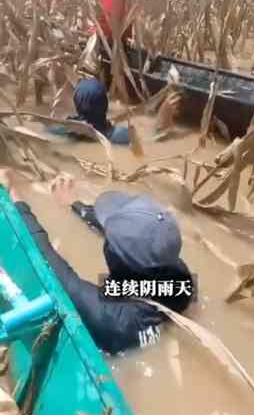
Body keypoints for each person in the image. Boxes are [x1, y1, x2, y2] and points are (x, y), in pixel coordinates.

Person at [0, 170, 195, 354]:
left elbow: (49, 264)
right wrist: (75, 204)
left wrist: (15, 199)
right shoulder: (180, 278)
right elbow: (135, 236)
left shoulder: (111, 316)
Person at [48, 78, 181, 145]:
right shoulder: (121, 135)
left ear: (77, 105)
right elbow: (151, 141)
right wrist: (162, 121)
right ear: (106, 105)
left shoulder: (65, 129)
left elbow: (45, 130)